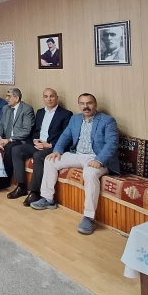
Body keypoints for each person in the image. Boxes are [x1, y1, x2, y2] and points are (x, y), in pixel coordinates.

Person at [31, 93, 119, 235]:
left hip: (96, 158)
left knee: (89, 173)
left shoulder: (107, 120)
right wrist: (57, 150)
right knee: (50, 160)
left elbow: (111, 144)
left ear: (95, 104)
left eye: (89, 103)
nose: (86, 106)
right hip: (77, 155)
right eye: (82, 103)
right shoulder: (75, 119)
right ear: (79, 105)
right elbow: (65, 136)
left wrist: (99, 160)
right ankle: (48, 199)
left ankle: (89, 217)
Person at [8, 88, 72, 206]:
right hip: (38, 144)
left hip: (52, 146)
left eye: (52, 96)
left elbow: (66, 136)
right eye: (46, 96)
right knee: (16, 150)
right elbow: (35, 131)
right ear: (43, 99)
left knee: (38, 156)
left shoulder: (66, 114)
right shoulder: (40, 112)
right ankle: (21, 186)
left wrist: (49, 145)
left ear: (57, 98)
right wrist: (35, 140)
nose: (49, 99)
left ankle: (35, 192)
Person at [0, 88, 35, 189]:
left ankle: (4, 180)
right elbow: (0, 124)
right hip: (4, 138)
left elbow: (26, 131)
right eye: (6, 96)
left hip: (19, 140)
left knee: (10, 146)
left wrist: (9, 140)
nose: (6, 98)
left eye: (9, 96)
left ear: (17, 98)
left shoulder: (27, 109)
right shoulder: (6, 108)